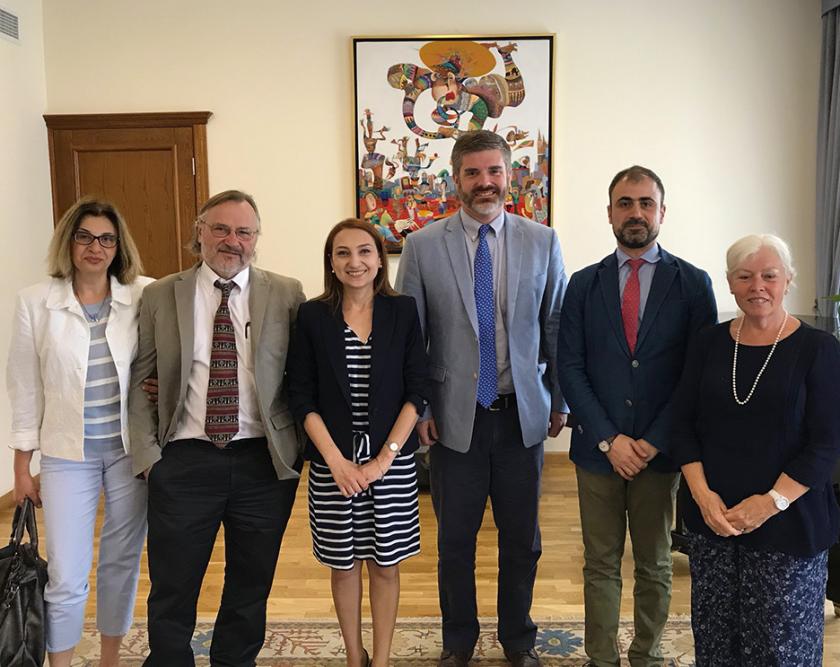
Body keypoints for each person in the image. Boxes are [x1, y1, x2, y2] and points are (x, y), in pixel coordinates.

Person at [396, 129, 566, 667]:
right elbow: (411, 335)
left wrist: (561, 399)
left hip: (521, 417)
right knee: (455, 545)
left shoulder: (543, 241)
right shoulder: (423, 246)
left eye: (494, 171)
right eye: (473, 173)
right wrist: (420, 408)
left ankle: (518, 640)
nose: (485, 182)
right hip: (452, 420)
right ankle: (458, 641)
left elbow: (556, 325)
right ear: (456, 179)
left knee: (523, 540)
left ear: (509, 177)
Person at [128, 190, 305, 667]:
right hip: (184, 460)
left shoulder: (286, 292)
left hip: (262, 462)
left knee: (251, 581)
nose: (233, 241)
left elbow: (303, 376)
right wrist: (149, 460)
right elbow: (139, 378)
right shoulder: (162, 294)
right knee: (173, 581)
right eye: (221, 229)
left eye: (244, 232)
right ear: (199, 232)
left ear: (256, 240)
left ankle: (235, 661)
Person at [557, 166, 717, 667]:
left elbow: (697, 373)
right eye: (625, 203)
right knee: (600, 564)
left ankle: (646, 656)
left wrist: (651, 440)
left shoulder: (692, 284)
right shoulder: (583, 285)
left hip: (660, 453)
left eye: (646, 203)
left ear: (662, 212)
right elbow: (569, 366)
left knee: (654, 565)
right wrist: (609, 438)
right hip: (596, 452)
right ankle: (601, 658)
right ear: (609, 213)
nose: (636, 213)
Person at [671, 234, 840, 666]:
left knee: (780, 648)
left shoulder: (819, 350)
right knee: (716, 644)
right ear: (730, 282)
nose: (757, 286)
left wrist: (770, 503)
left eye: (769, 275)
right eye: (745, 276)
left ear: (788, 280)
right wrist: (702, 497)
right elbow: (681, 423)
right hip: (715, 523)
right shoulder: (708, 344)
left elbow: (826, 444)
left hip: (789, 526)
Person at [8, 197, 151, 667]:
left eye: (106, 238)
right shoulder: (35, 302)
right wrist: (22, 466)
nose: (96, 247)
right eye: (85, 236)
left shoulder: (143, 296)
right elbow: (24, 386)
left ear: (119, 246)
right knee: (66, 575)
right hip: (68, 455)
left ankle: (110, 658)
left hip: (131, 455)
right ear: (69, 241)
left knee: (120, 563)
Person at [287, 218, 428, 667]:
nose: (355, 262)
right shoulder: (312, 316)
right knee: (343, 564)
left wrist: (384, 459)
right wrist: (335, 461)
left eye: (365, 251)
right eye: (343, 252)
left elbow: (416, 391)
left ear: (379, 257)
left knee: (386, 564)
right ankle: (354, 655)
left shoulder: (402, 311)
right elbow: (301, 396)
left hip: (391, 460)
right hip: (334, 463)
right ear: (331, 261)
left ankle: (382, 658)